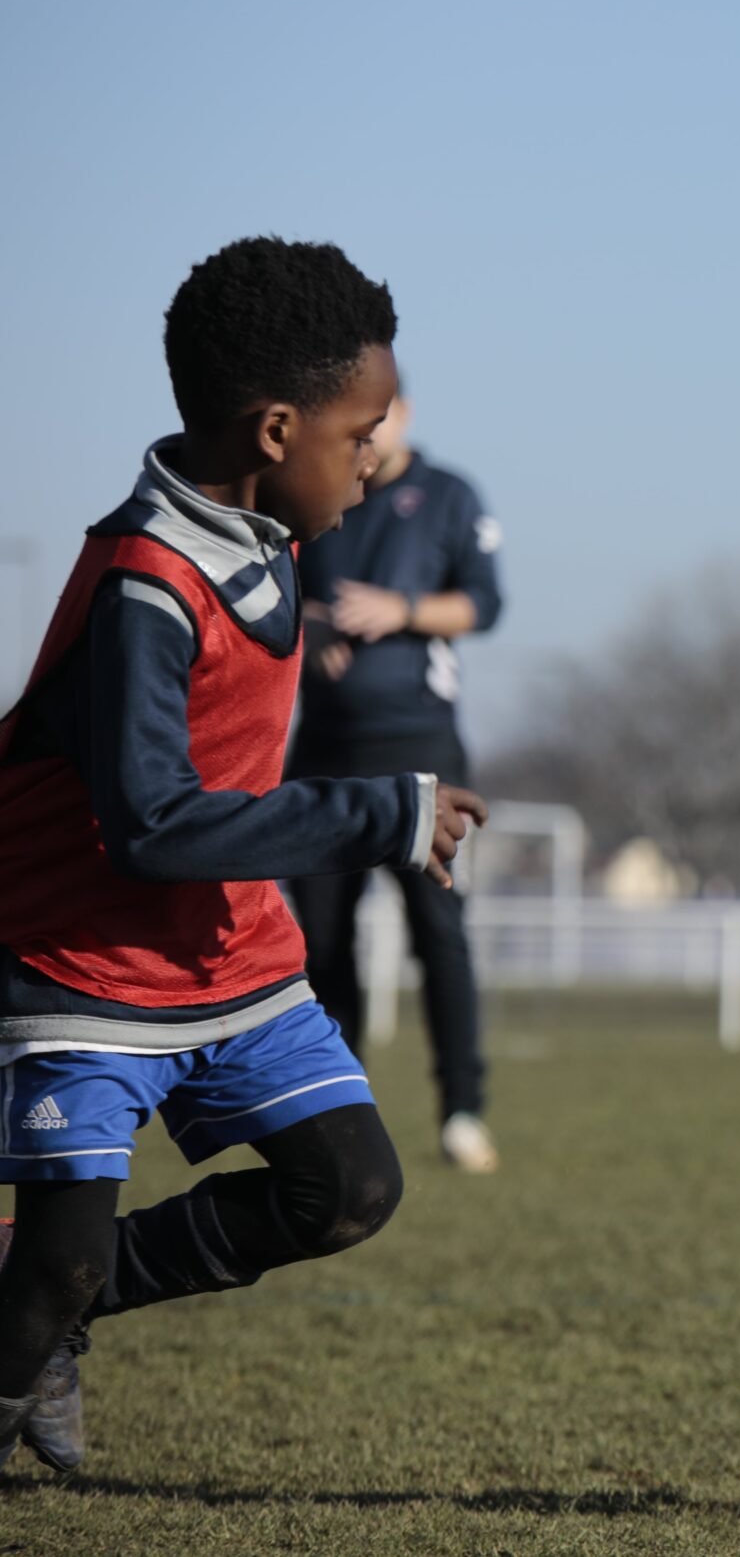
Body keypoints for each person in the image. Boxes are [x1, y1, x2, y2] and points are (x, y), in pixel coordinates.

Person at [0, 237, 484, 1473]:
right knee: (50, 1261)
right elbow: (152, 824)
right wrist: (378, 809)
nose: (378, 458)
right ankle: (40, 1306)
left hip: (227, 951)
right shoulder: (144, 583)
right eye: (361, 432)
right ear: (276, 431)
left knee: (351, 1189)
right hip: (82, 962)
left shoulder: (269, 533)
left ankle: (66, 1307)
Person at [288, 384, 504, 1174]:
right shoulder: (314, 499)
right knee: (320, 944)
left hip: (422, 753)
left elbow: (486, 603)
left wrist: (402, 608)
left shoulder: (448, 496)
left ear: (403, 413)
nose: (367, 439)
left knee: (439, 936)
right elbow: (272, 599)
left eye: (378, 421)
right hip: (323, 754)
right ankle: (339, 1111)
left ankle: (463, 1111)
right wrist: (307, 630)